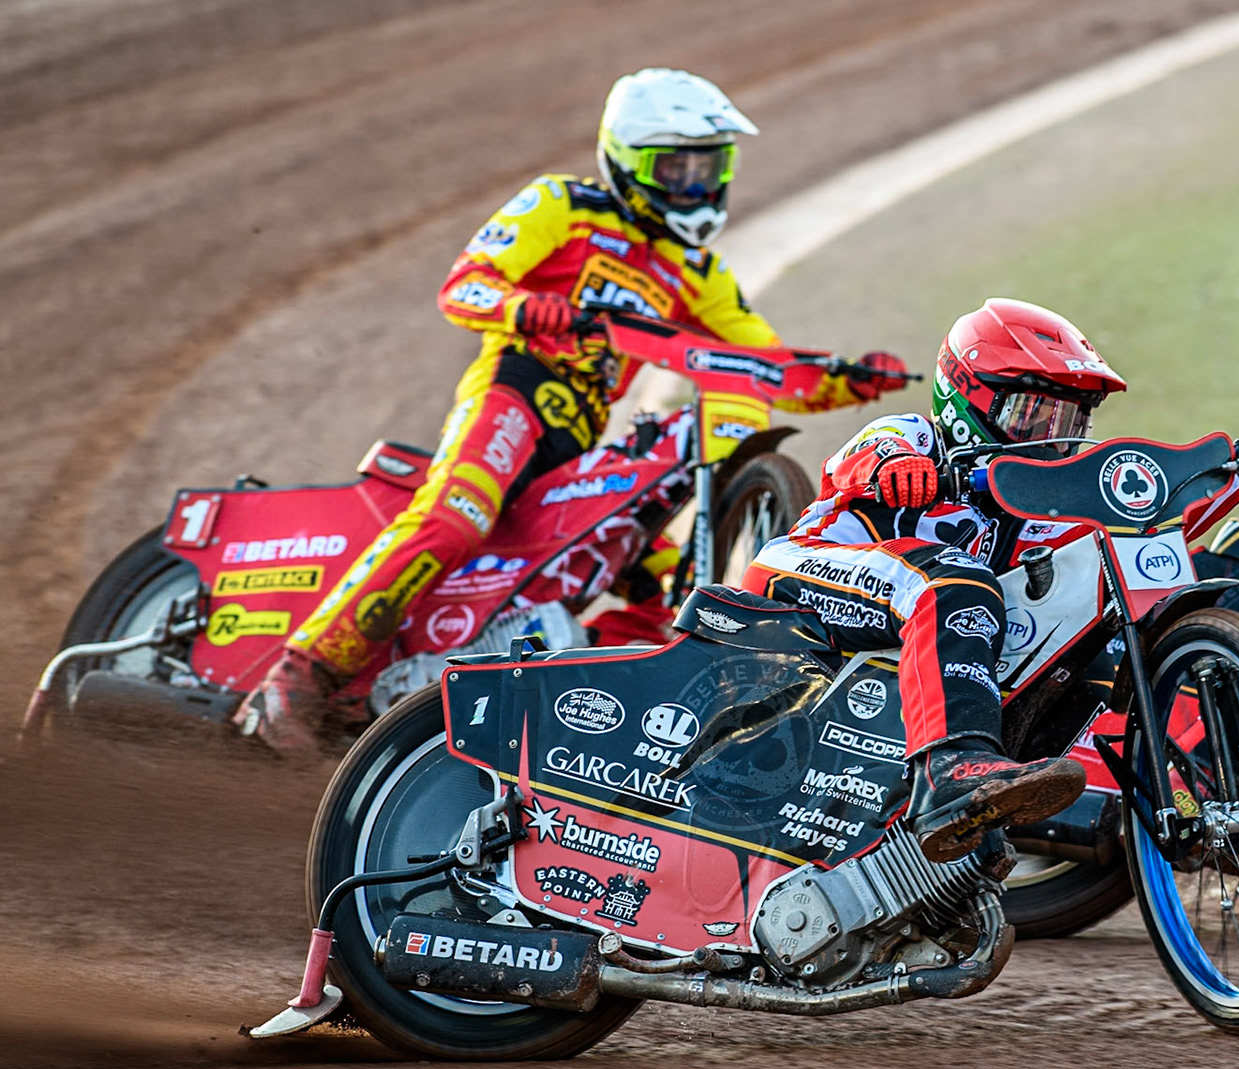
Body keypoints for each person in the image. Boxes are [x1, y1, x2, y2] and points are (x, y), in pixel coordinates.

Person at [239, 68, 906, 754]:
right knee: (457, 517)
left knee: (650, 581)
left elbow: (764, 363)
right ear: (626, 159)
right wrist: (527, 307)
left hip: (583, 445)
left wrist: (848, 380)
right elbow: (463, 285)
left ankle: (583, 729)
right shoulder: (562, 205)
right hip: (515, 393)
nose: (695, 186)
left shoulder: (698, 272)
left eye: (709, 168)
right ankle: (303, 673)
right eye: (675, 167)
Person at [744, 298, 1239, 859]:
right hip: (800, 580)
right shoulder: (914, 436)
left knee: (1091, 613)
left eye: (1070, 419)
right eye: (1033, 414)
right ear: (964, 396)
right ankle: (952, 766)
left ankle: (1046, 787)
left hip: (901, 624)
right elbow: (866, 454)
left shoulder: (1038, 516)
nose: (1054, 435)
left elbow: (1144, 530)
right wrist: (896, 469)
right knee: (957, 585)